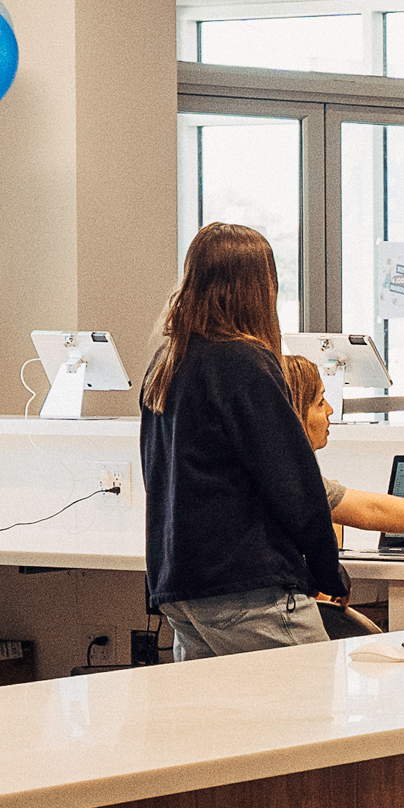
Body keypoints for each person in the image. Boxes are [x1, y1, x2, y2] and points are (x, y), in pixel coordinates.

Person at [140, 223, 348, 660]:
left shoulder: (166, 364)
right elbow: (294, 483)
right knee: (313, 717)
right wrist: (329, 571)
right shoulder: (244, 362)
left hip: (179, 587)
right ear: (260, 287)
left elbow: (156, 475)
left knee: (222, 725)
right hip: (249, 587)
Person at [280, 354, 404, 537]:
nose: (330, 410)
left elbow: (373, 509)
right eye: (320, 402)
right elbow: (372, 510)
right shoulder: (291, 482)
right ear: (294, 413)